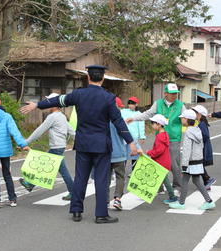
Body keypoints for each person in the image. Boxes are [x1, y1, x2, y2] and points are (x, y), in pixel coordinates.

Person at [20, 65, 138, 224]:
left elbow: (58, 100)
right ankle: (101, 214)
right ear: (103, 79)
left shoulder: (78, 94)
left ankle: (76, 210)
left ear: (88, 77)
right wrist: (130, 142)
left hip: (82, 143)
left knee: (81, 178)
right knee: (102, 180)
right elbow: (118, 122)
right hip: (101, 145)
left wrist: (37, 105)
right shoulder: (108, 98)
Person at [126, 83, 184, 189]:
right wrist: (134, 118)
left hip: (174, 138)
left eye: (176, 93)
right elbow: (147, 114)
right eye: (172, 94)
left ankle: (177, 186)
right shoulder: (158, 104)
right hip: (160, 137)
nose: (175, 95)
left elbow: (185, 119)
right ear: (165, 93)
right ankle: (158, 187)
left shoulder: (180, 105)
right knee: (157, 161)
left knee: (174, 164)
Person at [19, 93, 75, 201]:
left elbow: (39, 131)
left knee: (44, 165)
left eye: (50, 102)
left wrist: (26, 142)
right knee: (60, 170)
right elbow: (72, 131)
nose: (47, 104)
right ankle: (73, 192)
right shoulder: (62, 116)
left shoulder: (52, 117)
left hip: (56, 147)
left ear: (55, 104)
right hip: (60, 146)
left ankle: (30, 184)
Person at [0, 94, 29, 210]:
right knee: (7, 173)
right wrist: (23, 144)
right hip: (5, 149)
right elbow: (14, 132)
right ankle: (12, 199)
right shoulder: (6, 116)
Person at [169, 109, 215, 210]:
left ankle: (181, 203)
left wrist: (184, 165)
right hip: (197, 160)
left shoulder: (188, 132)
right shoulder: (197, 130)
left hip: (190, 162)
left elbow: (186, 150)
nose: (181, 120)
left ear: (187, 119)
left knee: (186, 181)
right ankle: (208, 201)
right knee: (196, 181)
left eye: (182, 118)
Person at [145, 114, 178, 205]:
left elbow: (158, 150)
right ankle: (150, 192)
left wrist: (149, 152)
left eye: (153, 123)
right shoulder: (164, 134)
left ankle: (172, 196)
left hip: (160, 162)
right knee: (160, 178)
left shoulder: (159, 136)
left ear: (159, 124)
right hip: (165, 161)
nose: (152, 125)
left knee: (164, 179)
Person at [107, 97, 131, 211]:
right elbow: (127, 136)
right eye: (119, 107)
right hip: (119, 153)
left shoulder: (102, 119)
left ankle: (104, 200)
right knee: (120, 177)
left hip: (105, 154)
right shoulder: (119, 120)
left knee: (105, 178)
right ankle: (117, 199)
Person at [192, 105, 216, 190]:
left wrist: (197, 138)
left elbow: (205, 135)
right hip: (202, 146)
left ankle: (208, 179)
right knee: (199, 164)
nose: (193, 114)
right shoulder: (201, 123)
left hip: (203, 147)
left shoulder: (201, 124)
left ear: (199, 115)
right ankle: (207, 181)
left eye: (195, 112)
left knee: (198, 164)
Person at [121, 96, 146, 167]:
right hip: (124, 137)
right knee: (124, 155)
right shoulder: (123, 111)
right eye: (129, 103)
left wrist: (142, 136)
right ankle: (121, 172)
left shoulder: (139, 114)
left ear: (136, 104)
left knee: (135, 154)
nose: (130, 105)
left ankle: (134, 172)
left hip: (134, 137)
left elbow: (141, 126)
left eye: (132, 104)